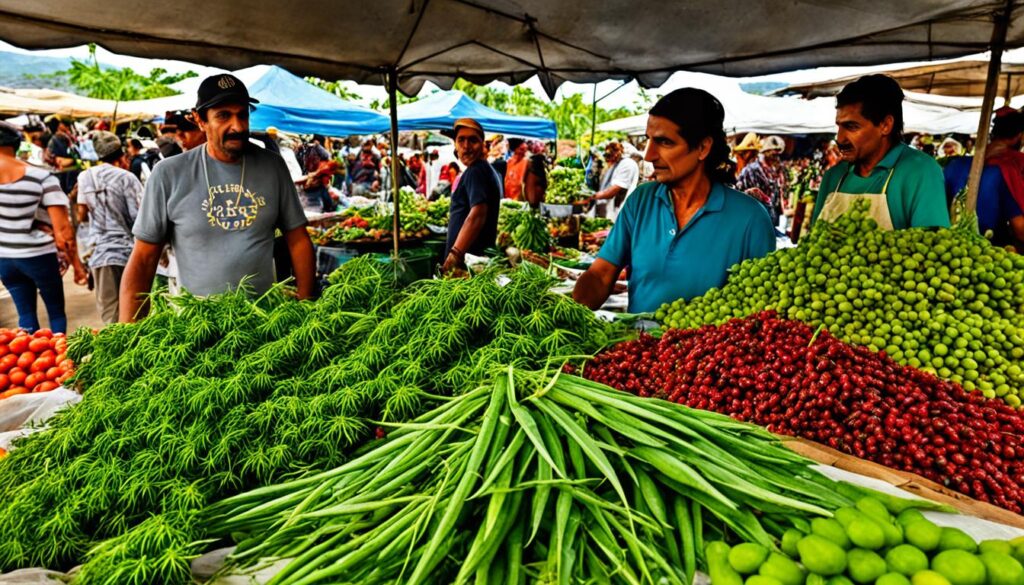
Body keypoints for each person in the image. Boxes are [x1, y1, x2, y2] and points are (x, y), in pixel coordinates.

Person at [119, 74, 315, 322]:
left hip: (265, 328)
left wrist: (307, 306)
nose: (238, 126)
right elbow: (144, 260)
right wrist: (128, 332)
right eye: (223, 115)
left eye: (242, 114)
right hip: (196, 330)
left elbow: (298, 239)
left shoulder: (272, 166)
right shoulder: (168, 174)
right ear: (200, 120)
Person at [572, 88, 775, 313]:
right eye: (649, 140)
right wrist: (566, 312)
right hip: (638, 346)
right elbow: (600, 276)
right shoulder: (641, 202)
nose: (649, 155)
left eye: (665, 142)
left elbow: (759, 312)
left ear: (702, 147)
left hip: (705, 348)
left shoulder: (750, 219)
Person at [811, 75, 949, 230]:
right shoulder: (834, 177)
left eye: (852, 126)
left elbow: (933, 244)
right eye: (839, 126)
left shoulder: (921, 171)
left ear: (885, 125)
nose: (840, 138)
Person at [0, 122, 87, 333]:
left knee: (26, 316)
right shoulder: (41, 177)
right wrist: (77, 266)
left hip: (5, 258)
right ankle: (58, 357)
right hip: (38, 256)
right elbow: (64, 232)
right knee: (56, 312)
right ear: (17, 144)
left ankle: (28, 362)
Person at [75, 132, 142, 324]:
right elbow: (140, 219)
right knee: (136, 314)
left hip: (100, 254)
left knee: (111, 316)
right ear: (120, 152)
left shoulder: (85, 177)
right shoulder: (127, 177)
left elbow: (82, 215)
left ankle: (116, 353)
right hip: (130, 254)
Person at [944, 107, 1024, 250]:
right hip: (988, 252)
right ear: (1019, 136)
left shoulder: (954, 165)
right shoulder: (1008, 168)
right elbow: (1020, 229)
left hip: (949, 246)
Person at [442, 118, 501, 273]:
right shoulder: (483, 169)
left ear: (482, 144)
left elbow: (478, 214)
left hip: (469, 263)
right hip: (473, 261)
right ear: (455, 145)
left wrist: (455, 254)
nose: (466, 146)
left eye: (473, 140)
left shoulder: (476, 171)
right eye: (461, 140)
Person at [736, 135, 787, 224]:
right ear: (765, 152)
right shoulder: (751, 170)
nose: (777, 157)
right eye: (774, 153)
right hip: (754, 218)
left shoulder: (775, 170)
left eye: (778, 153)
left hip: (772, 218)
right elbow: (741, 194)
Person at [592, 141, 639, 221]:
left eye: (608, 155)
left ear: (617, 153)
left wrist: (591, 197)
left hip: (621, 209)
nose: (606, 159)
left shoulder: (627, 164)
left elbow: (613, 190)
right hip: (612, 209)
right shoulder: (615, 165)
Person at [43, 115, 79, 195]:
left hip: (70, 176)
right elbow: (58, 161)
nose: (68, 127)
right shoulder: (54, 140)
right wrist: (75, 160)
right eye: (64, 124)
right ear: (59, 126)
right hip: (64, 177)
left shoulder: (69, 138)